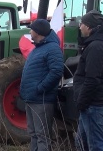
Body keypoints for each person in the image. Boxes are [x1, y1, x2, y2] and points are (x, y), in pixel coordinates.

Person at [74, 10, 103, 151]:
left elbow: (92, 79)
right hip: (93, 104)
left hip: (94, 105)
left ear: (90, 27)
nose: (80, 27)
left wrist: (82, 102)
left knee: (97, 146)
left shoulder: (96, 47)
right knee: (82, 142)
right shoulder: (98, 45)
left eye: (82, 24)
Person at [20, 19, 64, 151]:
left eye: (31, 29)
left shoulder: (52, 49)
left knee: (42, 135)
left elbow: (56, 72)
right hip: (32, 98)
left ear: (38, 32)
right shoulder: (37, 49)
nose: (30, 31)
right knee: (33, 134)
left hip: (42, 100)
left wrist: (40, 88)